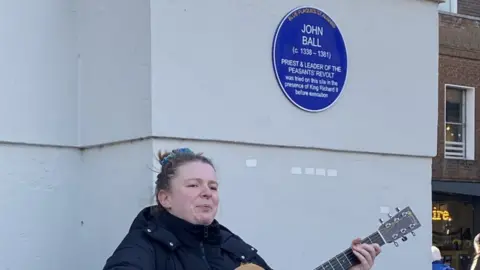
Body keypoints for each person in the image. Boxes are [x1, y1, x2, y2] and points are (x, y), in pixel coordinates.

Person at [102, 148, 382, 270]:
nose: (206, 193)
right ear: (165, 198)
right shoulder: (142, 246)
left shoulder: (229, 244)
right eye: (193, 185)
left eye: (213, 187)